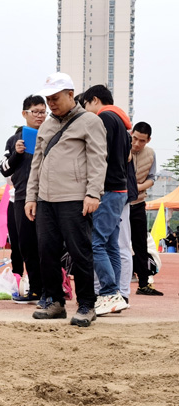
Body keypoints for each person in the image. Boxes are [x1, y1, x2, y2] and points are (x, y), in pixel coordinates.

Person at [25, 72, 107, 327]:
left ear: (70, 95)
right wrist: (31, 196)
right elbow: (37, 163)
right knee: (46, 252)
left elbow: (98, 159)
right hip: (45, 199)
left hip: (74, 198)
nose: (51, 104)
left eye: (55, 98)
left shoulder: (90, 121)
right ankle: (54, 301)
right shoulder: (46, 125)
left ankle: (86, 305)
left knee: (79, 253)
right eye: (48, 99)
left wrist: (93, 193)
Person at [82, 84, 131, 315]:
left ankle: (109, 292)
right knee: (111, 245)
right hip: (120, 189)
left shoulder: (103, 119)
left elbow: (99, 155)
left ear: (94, 100)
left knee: (96, 243)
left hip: (108, 189)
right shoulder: (121, 120)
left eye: (85, 105)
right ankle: (115, 295)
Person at [0, 95, 47, 305]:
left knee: (47, 244)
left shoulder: (52, 135)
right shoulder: (14, 140)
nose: (40, 116)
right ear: (24, 114)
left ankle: (51, 289)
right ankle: (36, 289)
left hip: (47, 197)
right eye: (35, 112)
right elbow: (4, 169)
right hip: (22, 197)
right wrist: (16, 153)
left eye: (43, 112)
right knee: (26, 244)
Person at [129, 122, 163, 296]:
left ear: (148, 140)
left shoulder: (150, 154)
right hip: (118, 204)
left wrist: (139, 187)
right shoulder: (121, 147)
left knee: (141, 245)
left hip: (138, 204)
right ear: (131, 133)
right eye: (134, 138)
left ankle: (143, 284)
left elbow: (152, 177)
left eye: (141, 141)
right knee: (114, 245)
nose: (136, 144)